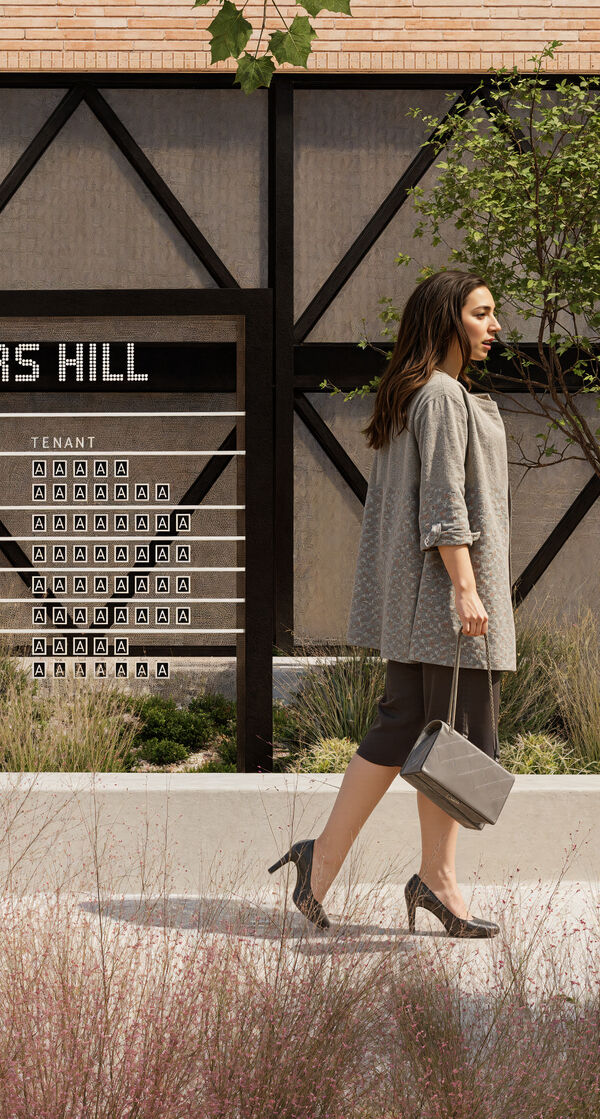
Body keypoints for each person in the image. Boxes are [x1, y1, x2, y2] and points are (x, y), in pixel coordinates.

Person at [271, 270, 512, 938]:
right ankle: (437, 881)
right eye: (482, 313)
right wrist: (466, 586)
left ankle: (318, 862)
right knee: (455, 738)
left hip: (421, 602)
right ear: (448, 319)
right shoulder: (439, 395)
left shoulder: (421, 394)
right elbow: (444, 500)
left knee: (402, 728)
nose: (495, 327)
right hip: (444, 602)